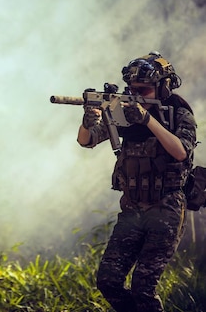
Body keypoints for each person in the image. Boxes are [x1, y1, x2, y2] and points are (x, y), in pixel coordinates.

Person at [77, 51, 197, 312]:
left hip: (165, 209)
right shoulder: (124, 113)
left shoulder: (178, 112)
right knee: (108, 281)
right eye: (131, 89)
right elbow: (86, 141)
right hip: (132, 209)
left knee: (144, 287)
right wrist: (88, 121)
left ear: (162, 87)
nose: (135, 94)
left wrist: (146, 119)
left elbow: (180, 151)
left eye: (143, 89)